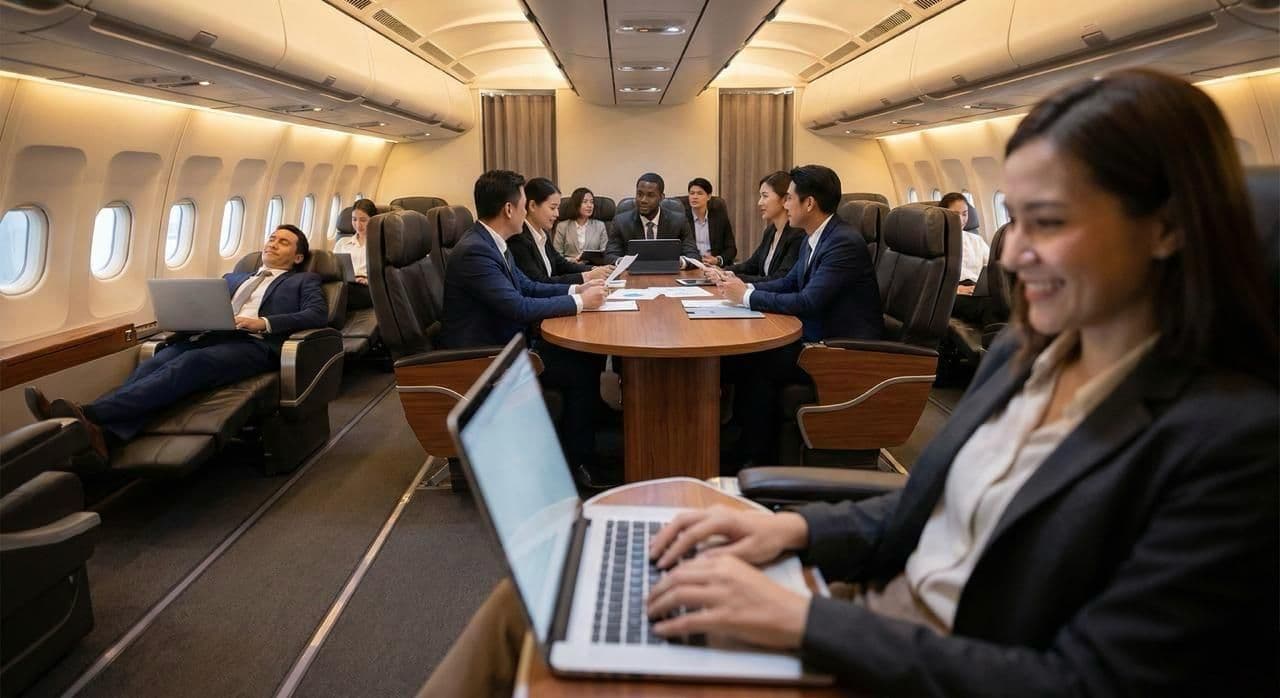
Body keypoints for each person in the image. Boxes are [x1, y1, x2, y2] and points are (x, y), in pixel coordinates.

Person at [419, 69, 1279, 698]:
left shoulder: (1234, 443)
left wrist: (801, 621)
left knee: (559, 632)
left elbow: (1086, 684)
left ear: (1168, 227)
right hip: (869, 613)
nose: (1013, 255)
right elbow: (916, 516)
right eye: (1013, 219)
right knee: (533, 600)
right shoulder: (1027, 357)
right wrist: (784, 530)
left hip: (919, 662)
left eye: (1048, 223)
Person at [25, 225, 329, 461]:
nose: (272, 243)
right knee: (157, 363)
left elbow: (317, 314)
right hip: (211, 335)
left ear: (297, 258)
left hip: (255, 345)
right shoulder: (233, 278)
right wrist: (187, 320)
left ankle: (89, 415)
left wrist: (263, 322)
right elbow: (208, 308)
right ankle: (106, 436)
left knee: (190, 363)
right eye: (271, 238)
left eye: (283, 242)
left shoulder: (303, 281)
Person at [437, 170, 613, 488]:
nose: (524, 210)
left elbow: (529, 287)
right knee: (581, 370)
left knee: (585, 358)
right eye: (522, 204)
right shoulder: (476, 252)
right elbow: (518, 307)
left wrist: (577, 291)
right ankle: (577, 463)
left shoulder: (494, 243)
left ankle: (586, 438)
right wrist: (580, 303)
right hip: (487, 359)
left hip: (507, 344)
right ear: (509, 209)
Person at [717, 164, 883, 465]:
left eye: (790, 198)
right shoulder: (814, 236)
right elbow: (789, 282)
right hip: (817, 335)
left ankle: (754, 457)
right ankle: (740, 442)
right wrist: (744, 290)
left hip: (838, 349)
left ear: (809, 203)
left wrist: (747, 297)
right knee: (743, 358)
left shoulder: (842, 242)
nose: (786, 205)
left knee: (755, 363)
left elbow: (808, 301)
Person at [705, 171, 804, 283]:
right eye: (760, 196)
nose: (759, 202)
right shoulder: (770, 231)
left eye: (765, 196)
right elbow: (752, 265)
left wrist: (731, 277)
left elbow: (779, 279)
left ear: (784, 199)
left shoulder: (798, 235)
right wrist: (723, 271)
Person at [509, 178, 613, 284]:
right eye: (552, 208)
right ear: (532, 206)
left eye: (558, 208)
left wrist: (593, 269)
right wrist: (586, 276)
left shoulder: (543, 234)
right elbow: (540, 282)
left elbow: (561, 264)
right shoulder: (518, 239)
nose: (557, 214)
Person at [604, 172, 698, 264]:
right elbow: (610, 256)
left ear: (661, 197)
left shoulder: (679, 221)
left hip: (668, 272)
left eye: (650, 195)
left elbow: (693, 255)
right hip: (633, 273)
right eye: (639, 194)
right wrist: (625, 263)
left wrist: (678, 262)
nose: (643, 200)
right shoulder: (621, 222)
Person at [332, 198, 378, 309]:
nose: (358, 224)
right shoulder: (342, 243)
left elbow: (385, 273)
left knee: (339, 293)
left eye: (363, 220)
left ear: (373, 220)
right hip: (346, 283)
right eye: (354, 219)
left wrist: (368, 280)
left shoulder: (379, 244)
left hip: (369, 288)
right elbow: (333, 268)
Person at [684, 177, 736, 267]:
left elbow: (731, 249)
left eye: (699, 193)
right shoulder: (682, 219)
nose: (694, 197)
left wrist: (717, 260)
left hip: (714, 266)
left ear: (708, 196)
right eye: (692, 193)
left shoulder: (720, 218)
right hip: (691, 266)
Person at [553, 187, 608, 261]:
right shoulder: (562, 226)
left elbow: (604, 254)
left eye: (591, 202)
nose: (589, 205)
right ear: (576, 204)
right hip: (569, 266)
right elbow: (556, 255)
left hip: (592, 266)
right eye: (585, 202)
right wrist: (573, 260)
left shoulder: (600, 226)